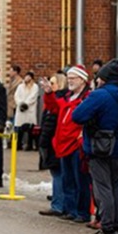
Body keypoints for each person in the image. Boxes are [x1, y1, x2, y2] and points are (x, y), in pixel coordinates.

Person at [72, 59, 118, 234]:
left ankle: (107, 229)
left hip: (100, 149)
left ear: (105, 78)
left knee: (103, 190)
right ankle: (117, 228)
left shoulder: (99, 96)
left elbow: (78, 116)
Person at [42, 64, 92, 224]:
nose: (70, 81)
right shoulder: (67, 98)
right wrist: (49, 93)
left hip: (76, 145)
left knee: (80, 181)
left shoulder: (87, 98)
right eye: (69, 78)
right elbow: (54, 107)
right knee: (67, 180)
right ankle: (70, 210)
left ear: (82, 80)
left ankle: (82, 212)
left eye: (73, 78)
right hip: (63, 144)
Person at [38, 73, 67, 216]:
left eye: (53, 83)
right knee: (57, 174)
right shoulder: (53, 101)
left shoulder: (61, 99)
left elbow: (54, 107)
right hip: (51, 142)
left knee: (58, 175)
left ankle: (58, 205)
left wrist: (49, 93)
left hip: (56, 142)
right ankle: (59, 202)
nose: (50, 85)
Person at [14, 70, 39, 150]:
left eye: (28, 77)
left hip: (29, 110)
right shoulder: (20, 86)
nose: (26, 78)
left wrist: (26, 104)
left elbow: (33, 97)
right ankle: (18, 145)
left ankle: (30, 145)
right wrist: (21, 104)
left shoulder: (35, 87)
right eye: (26, 76)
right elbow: (16, 96)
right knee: (19, 128)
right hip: (21, 110)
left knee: (30, 129)